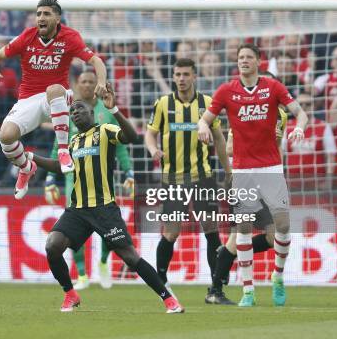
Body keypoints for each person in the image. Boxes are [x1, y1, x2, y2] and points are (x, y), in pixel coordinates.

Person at [30, 84, 184, 313]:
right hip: (78, 210)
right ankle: (70, 294)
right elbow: (59, 166)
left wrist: (114, 111)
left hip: (104, 209)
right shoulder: (72, 143)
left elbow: (131, 137)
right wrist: (30, 157)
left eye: (79, 108)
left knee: (130, 257)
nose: (75, 112)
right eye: (72, 111)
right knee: (53, 245)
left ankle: (169, 299)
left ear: (92, 113)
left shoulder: (105, 130)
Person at [198, 43, 308, 307]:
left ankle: (278, 277)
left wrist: (300, 128)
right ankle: (248, 291)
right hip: (243, 171)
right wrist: (202, 127)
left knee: (282, 226)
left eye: (248, 57)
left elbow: (300, 114)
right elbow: (205, 119)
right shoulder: (226, 90)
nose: (243, 61)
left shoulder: (273, 87)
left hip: (271, 167)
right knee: (244, 229)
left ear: (259, 61)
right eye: (240, 58)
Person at [0, 0, 107, 199]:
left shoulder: (70, 37)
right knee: (6, 137)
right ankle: (26, 168)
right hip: (29, 99)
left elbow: (96, 60)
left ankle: (63, 151)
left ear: (58, 18)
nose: (41, 18)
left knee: (53, 89)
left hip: (59, 96)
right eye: (38, 14)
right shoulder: (27, 37)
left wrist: (101, 82)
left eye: (46, 14)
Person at [144, 58, 230, 295]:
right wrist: (154, 150)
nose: (181, 79)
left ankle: (216, 286)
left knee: (211, 229)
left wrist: (228, 170)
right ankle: (160, 278)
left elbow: (220, 139)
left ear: (194, 76)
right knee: (171, 232)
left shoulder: (207, 103)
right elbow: (150, 135)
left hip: (203, 176)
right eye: (177, 74)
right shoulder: (163, 104)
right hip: (173, 177)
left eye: (185, 74)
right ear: (173, 77)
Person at [44, 70, 134, 290]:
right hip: (72, 178)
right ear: (77, 84)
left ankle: (103, 261)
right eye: (83, 81)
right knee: (71, 229)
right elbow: (60, 146)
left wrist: (128, 171)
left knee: (107, 228)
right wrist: (49, 178)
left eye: (91, 82)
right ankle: (82, 274)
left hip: (101, 175)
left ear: (96, 85)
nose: (86, 85)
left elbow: (120, 145)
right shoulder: (69, 112)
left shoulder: (104, 110)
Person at [206, 73, 289, 305]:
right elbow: (230, 148)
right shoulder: (244, 111)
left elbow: (277, 151)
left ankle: (226, 259)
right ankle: (216, 289)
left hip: (269, 178)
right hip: (244, 179)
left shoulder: (281, 116)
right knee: (236, 239)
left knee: (274, 237)